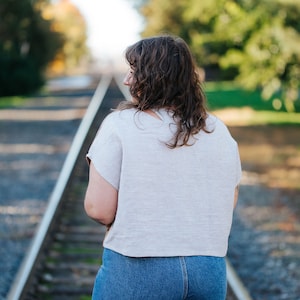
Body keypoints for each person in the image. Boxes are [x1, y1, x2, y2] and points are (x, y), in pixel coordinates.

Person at [84, 34, 242, 300]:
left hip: (137, 266)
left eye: (134, 72)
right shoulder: (218, 130)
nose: (126, 80)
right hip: (208, 270)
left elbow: (99, 209)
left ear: (154, 77)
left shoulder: (121, 124)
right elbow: (229, 199)